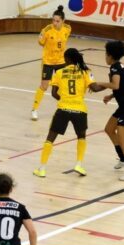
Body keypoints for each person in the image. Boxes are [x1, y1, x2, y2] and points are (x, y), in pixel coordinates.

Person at [33, 48, 104, 178]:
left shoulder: (59, 72)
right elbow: (95, 88)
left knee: (50, 138)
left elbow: (54, 93)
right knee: (81, 137)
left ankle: (42, 169)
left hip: (63, 109)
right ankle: (79, 164)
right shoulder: (85, 72)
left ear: (67, 59)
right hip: (80, 110)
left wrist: (65, 100)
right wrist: (109, 85)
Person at [96, 41, 124, 181]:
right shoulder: (122, 66)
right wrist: (110, 96)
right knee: (109, 129)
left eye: (106, 54)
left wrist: (100, 83)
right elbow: (122, 87)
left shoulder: (115, 68)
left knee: (122, 139)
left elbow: (115, 85)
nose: (105, 57)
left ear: (110, 55)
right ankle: (122, 159)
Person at [30, 5, 71, 121]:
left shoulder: (67, 29)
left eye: (57, 21)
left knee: (62, 86)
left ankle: (64, 108)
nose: (55, 23)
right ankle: (34, 109)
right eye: (53, 20)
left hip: (61, 62)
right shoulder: (47, 30)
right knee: (44, 86)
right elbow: (41, 42)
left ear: (63, 21)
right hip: (48, 61)